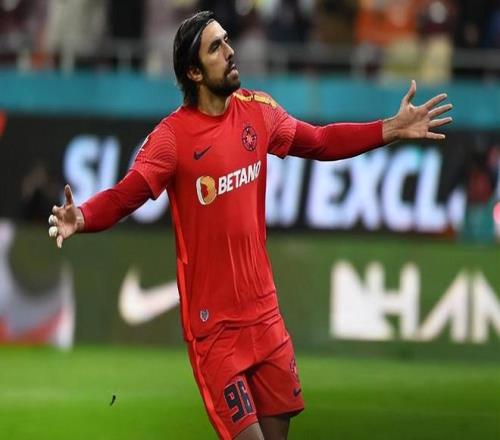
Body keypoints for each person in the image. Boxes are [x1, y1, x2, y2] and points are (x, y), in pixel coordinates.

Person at [47, 10, 453, 440]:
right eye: (215, 47)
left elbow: (319, 141)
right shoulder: (172, 139)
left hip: (265, 318)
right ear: (194, 72)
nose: (229, 50)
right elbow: (126, 195)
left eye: (226, 40)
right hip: (215, 332)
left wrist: (390, 128)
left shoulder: (259, 112)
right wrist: (83, 216)